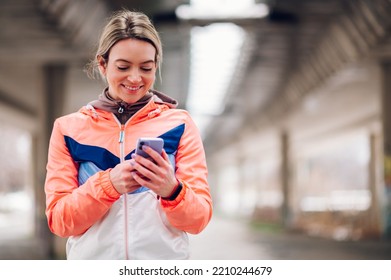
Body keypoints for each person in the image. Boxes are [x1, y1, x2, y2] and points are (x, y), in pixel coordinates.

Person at [44, 9, 213, 260]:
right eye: (123, 66)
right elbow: (60, 221)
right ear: (102, 64)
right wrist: (108, 185)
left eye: (146, 68)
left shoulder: (180, 125)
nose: (135, 78)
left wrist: (172, 189)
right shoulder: (68, 129)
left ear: (156, 66)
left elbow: (198, 220)